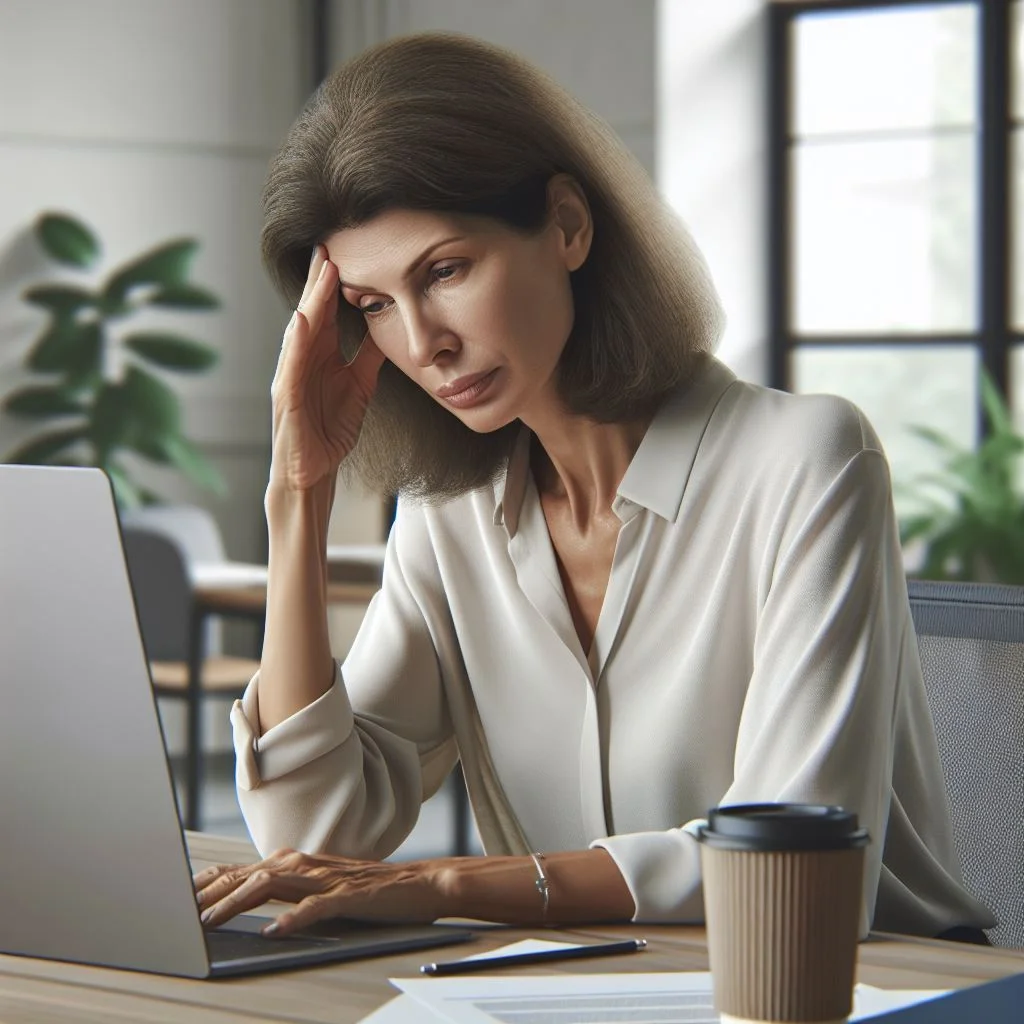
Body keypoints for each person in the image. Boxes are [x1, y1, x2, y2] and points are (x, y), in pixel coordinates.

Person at [194, 32, 995, 942]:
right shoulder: (447, 517)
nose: (422, 343)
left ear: (568, 226)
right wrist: (299, 495)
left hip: (863, 994)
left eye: (445, 271)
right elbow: (312, 838)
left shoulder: (808, 462)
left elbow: (791, 866)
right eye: (375, 305)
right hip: (585, 993)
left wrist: (453, 884)